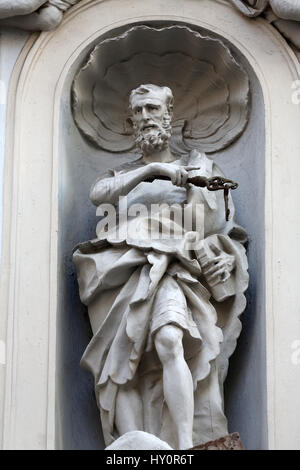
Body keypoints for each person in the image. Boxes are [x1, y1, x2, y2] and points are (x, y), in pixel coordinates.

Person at [73, 84, 249, 449]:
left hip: (172, 266)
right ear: (129, 122)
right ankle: (133, 444)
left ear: (169, 115)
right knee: (120, 363)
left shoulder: (198, 168)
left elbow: (216, 227)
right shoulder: (122, 176)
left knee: (171, 339)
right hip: (120, 272)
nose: (144, 118)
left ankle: (185, 445)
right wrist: (152, 172)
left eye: (152, 109)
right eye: (137, 112)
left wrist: (224, 256)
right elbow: (99, 195)